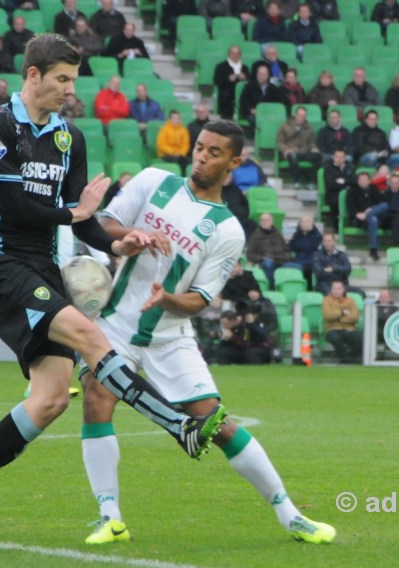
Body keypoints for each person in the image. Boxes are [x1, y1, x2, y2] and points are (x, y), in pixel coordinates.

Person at [0, 34, 230, 540]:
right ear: (32, 75)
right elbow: (16, 207)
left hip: (42, 267)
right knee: (92, 338)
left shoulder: (70, 139)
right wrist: (77, 213)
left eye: (72, 80)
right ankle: (178, 425)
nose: (69, 90)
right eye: (61, 79)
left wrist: (119, 243)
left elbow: (85, 224)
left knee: (49, 401)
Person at [78, 135, 336, 546]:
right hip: (117, 324)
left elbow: (199, 300)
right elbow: (102, 225)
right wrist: (135, 233)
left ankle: (291, 514)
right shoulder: (152, 181)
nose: (201, 156)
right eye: (199, 147)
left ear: (234, 161)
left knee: (215, 422)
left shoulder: (228, 230)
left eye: (214, 152)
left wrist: (167, 298)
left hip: (170, 335)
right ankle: (109, 517)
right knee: (96, 397)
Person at [347, 172, 387, 261]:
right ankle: (373, 250)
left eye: (365, 180)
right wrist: (357, 214)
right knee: (373, 220)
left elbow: (381, 202)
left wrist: (371, 209)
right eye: (361, 180)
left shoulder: (374, 189)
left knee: (384, 205)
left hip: (375, 216)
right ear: (357, 181)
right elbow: (350, 207)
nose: (363, 182)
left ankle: (369, 215)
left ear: (369, 181)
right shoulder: (352, 191)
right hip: (360, 220)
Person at [276, 106, 320, 187]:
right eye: (299, 115)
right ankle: (297, 181)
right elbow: (279, 142)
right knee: (292, 155)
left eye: (303, 116)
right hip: (290, 151)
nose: (301, 118)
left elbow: (311, 142)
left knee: (318, 156)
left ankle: (312, 182)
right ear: (295, 115)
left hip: (304, 152)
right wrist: (285, 149)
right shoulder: (285, 126)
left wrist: (313, 148)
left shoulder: (309, 128)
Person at [246, 212, 290, 289]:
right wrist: (262, 258)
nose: (264, 222)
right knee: (268, 264)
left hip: (280, 260)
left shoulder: (278, 234)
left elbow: (287, 251)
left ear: (272, 221)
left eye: (267, 220)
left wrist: (282, 257)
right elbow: (249, 254)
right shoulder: (255, 236)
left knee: (297, 266)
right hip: (264, 261)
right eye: (262, 220)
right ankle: (271, 288)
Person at [322, 280, 362, 362]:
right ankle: (347, 359)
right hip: (332, 329)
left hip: (349, 329)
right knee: (335, 338)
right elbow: (328, 316)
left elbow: (355, 317)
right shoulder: (326, 300)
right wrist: (342, 312)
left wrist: (338, 318)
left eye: (339, 288)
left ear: (343, 290)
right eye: (334, 288)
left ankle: (349, 358)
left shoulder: (350, 301)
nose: (336, 290)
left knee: (360, 338)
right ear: (331, 289)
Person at [238, 63, 285, 128]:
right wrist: (251, 110)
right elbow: (243, 102)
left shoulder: (274, 89)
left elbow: (278, 103)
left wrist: (268, 111)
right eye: (259, 74)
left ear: (268, 75)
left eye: (264, 74)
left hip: (269, 114)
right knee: (256, 121)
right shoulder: (248, 87)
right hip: (253, 114)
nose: (261, 76)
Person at [286, 215, 322, 290]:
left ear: (312, 223)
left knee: (307, 269)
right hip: (298, 260)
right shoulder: (297, 235)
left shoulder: (317, 236)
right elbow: (290, 247)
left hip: (311, 260)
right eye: (302, 222)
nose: (304, 224)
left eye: (307, 222)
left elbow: (319, 252)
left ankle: (308, 289)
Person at [322, 149, 354, 227]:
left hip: (348, 193)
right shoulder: (328, 168)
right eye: (337, 157)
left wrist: (342, 181)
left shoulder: (350, 167)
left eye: (341, 157)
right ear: (333, 157)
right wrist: (346, 182)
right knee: (335, 202)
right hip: (333, 194)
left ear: (345, 158)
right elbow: (330, 184)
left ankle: (352, 224)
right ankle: (336, 226)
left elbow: (354, 181)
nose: (339, 159)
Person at [156, 110, 191, 174]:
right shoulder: (164, 129)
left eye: (177, 118)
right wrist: (173, 152)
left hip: (180, 155)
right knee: (176, 159)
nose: (175, 120)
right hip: (166, 154)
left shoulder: (184, 130)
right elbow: (161, 145)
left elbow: (186, 145)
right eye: (173, 118)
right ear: (170, 119)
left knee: (189, 161)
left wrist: (180, 153)